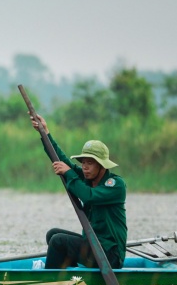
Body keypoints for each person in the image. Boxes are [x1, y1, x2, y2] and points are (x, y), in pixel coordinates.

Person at [31, 114, 127, 269]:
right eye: (83, 162)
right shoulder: (86, 179)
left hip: (109, 255)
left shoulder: (116, 185)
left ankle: (51, 281)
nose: (85, 167)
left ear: (102, 166)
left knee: (58, 241)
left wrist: (69, 173)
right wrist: (45, 133)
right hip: (94, 246)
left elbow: (88, 196)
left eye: (90, 163)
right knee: (53, 234)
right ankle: (69, 274)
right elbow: (62, 161)